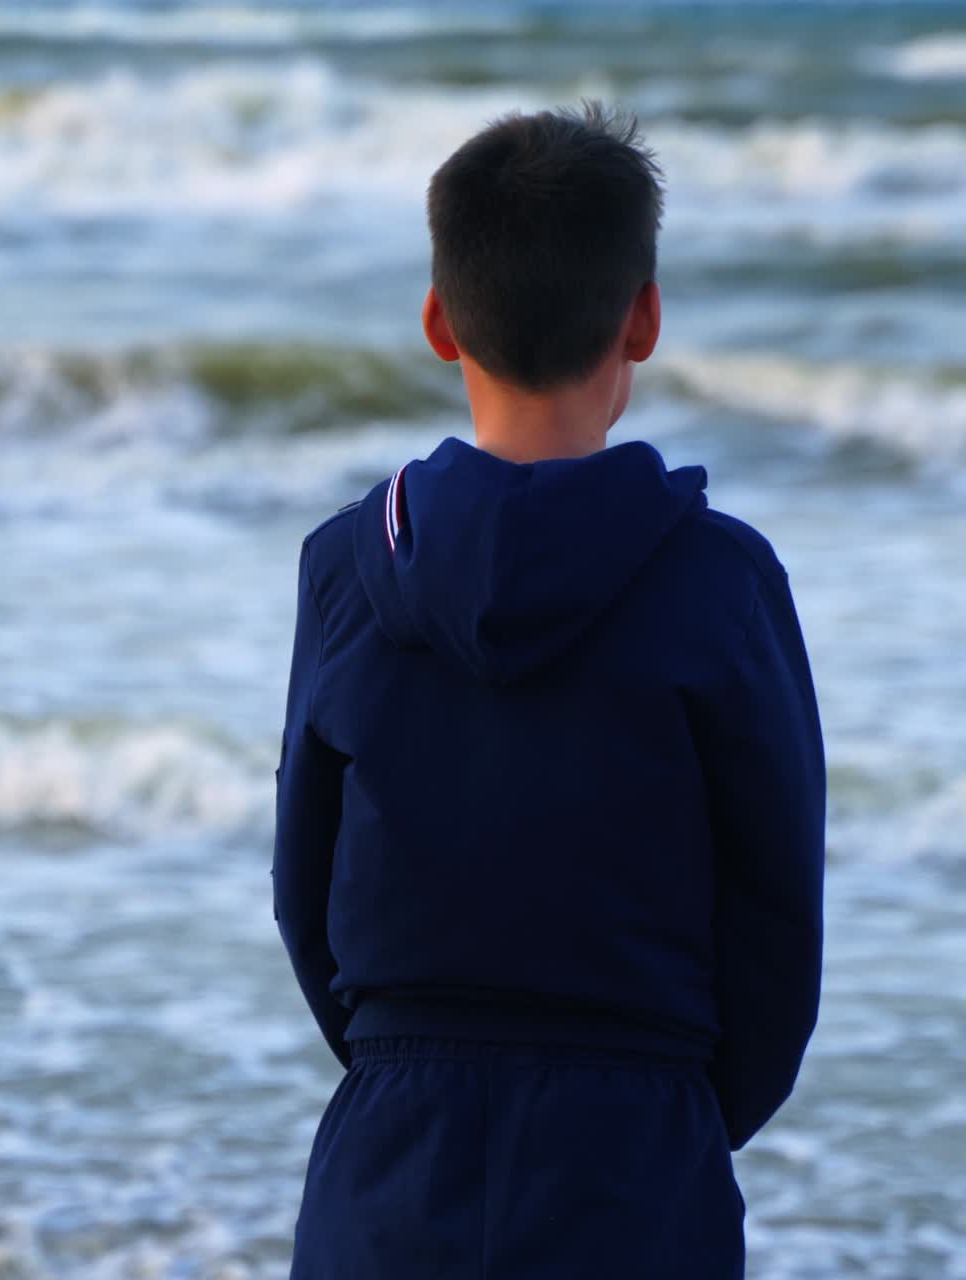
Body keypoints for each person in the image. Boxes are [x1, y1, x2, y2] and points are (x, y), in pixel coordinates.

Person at [271, 101, 826, 1279]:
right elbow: (775, 908)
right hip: (635, 1152)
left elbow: (301, 888)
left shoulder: (345, 571)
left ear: (436, 320)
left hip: (389, 1158)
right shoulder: (719, 578)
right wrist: (671, 1108)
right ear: (643, 318)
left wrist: (399, 1059)